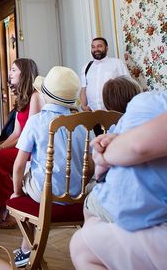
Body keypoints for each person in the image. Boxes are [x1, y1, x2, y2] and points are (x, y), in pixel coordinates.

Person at [70, 91, 167, 270]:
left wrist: (106, 155)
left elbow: (138, 146)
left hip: (139, 209)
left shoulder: (145, 103)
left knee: (82, 243)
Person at [10, 66, 90, 268]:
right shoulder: (83, 125)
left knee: (29, 169)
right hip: (77, 192)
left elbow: (18, 165)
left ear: (45, 95)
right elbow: (92, 166)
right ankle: (26, 249)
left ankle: (28, 250)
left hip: (45, 193)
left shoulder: (36, 121)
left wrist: (17, 192)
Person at [0, 58, 44, 229]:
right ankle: (4, 204)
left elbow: (29, 134)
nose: (10, 73)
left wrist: (1, 148)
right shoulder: (22, 99)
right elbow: (16, 133)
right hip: (23, 146)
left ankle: (12, 207)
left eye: (13, 70)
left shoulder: (36, 96)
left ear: (24, 73)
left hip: (33, 151)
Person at [80, 37, 130, 112]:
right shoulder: (86, 67)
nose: (96, 49)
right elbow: (84, 88)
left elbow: (128, 86)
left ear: (106, 48)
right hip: (92, 113)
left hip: (114, 112)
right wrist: (83, 106)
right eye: (93, 47)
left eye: (99, 46)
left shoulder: (117, 63)